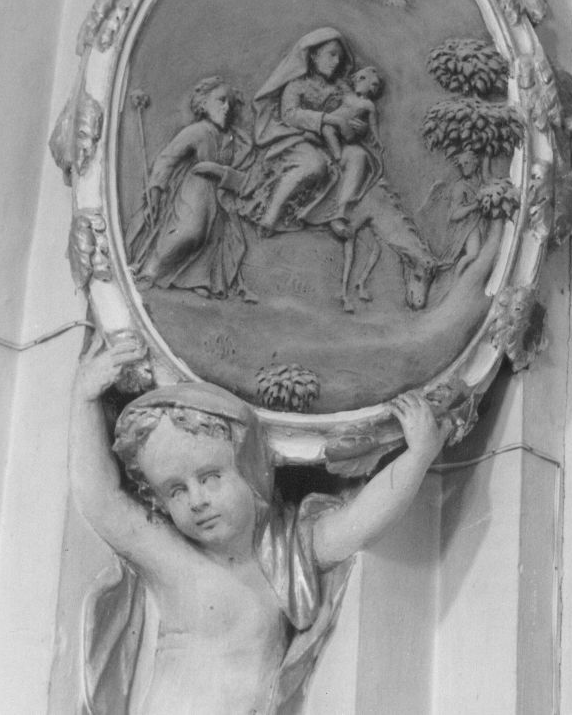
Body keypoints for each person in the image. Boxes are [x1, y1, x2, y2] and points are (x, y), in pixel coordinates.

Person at [70, 340, 450, 715]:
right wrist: (85, 399)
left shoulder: (285, 555)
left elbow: (359, 523)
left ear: (252, 470)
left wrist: (418, 456)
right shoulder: (174, 561)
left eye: (211, 477)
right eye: (176, 490)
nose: (197, 500)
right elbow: (103, 501)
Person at [241, 27, 381, 239]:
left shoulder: (340, 87)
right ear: (314, 56)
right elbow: (290, 114)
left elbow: (353, 108)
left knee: (358, 155)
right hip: (297, 140)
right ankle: (270, 215)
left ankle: (339, 214)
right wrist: (328, 119)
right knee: (314, 165)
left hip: (331, 142)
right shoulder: (297, 85)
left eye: (339, 57)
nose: (336, 61)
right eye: (331, 54)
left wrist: (360, 128)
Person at [127, 77, 255, 301]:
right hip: (195, 188)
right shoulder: (197, 131)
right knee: (190, 231)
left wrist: (220, 171)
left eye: (230, 103)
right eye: (221, 100)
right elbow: (168, 158)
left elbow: (243, 174)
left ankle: (196, 279)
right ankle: (150, 269)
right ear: (204, 104)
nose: (226, 107)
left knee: (212, 238)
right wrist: (155, 191)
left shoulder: (234, 139)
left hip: (219, 195)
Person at [320, 65, 383, 163]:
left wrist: (377, 138)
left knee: (326, 129)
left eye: (362, 79)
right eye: (358, 79)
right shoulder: (349, 95)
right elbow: (341, 83)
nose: (358, 81)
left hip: (347, 129)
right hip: (333, 123)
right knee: (326, 129)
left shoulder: (368, 104)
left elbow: (373, 123)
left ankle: (337, 154)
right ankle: (334, 154)